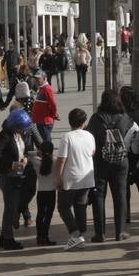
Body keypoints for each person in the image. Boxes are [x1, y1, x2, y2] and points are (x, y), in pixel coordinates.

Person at [87, 90, 138, 242]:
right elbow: (134, 136)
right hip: (121, 161)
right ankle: (120, 232)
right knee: (120, 195)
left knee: (99, 195)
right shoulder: (126, 118)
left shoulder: (95, 118)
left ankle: (100, 233)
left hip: (101, 161)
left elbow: (90, 139)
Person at [0, 109, 32, 251]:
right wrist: (12, 164)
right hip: (6, 175)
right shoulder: (5, 135)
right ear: (14, 126)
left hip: (17, 175)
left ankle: (4, 237)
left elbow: (23, 150)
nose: (23, 131)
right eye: (21, 128)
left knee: (11, 207)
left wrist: (25, 157)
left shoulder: (20, 135)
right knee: (11, 209)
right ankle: (8, 239)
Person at [55, 107, 96, 250]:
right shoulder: (90, 136)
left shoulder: (67, 137)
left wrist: (58, 178)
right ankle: (81, 234)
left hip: (71, 177)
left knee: (63, 206)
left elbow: (61, 160)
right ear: (84, 122)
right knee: (80, 205)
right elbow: (92, 152)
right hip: (87, 177)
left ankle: (75, 233)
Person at [33, 140, 58, 246]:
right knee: (48, 216)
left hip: (41, 192)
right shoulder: (55, 161)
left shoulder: (36, 162)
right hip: (51, 192)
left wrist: (38, 153)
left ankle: (39, 237)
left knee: (40, 215)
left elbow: (30, 153)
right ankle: (45, 236)